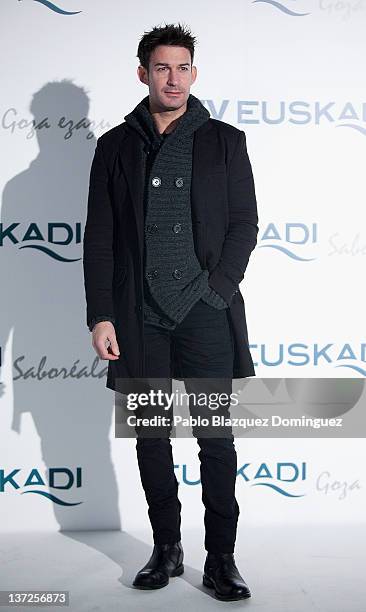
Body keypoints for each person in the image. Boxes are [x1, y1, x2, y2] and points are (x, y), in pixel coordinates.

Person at [83, 22, 258, 601]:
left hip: (207, 313)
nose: (174, 78)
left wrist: (217, 288)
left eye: (183, 67)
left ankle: (222, 559)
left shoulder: (226, 142)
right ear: (143, 73)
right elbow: (101, 238)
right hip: (138, 316)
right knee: (152, 438)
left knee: (216, 438)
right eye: (162, 68)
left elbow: (243, 225)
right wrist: (100, 315)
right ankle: (166, 549)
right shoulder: (114, 146)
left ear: (194, 74)